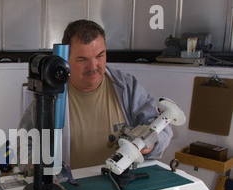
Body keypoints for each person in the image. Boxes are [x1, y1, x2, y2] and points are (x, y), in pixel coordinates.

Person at [18, 19, 173, 170]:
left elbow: (162, 127)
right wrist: (38, 167)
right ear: (65, 59)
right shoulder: (49, 96)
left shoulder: (126, 86)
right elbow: (23, 147)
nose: (93, 66)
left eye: (100, 55)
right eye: (82, 59)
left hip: (122, 186)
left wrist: (152, 143)